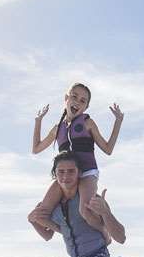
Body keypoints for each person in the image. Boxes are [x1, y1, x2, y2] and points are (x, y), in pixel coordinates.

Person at [31, 82, 124, 237]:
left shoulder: (87, 123)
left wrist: (118, 121)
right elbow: (36, 149)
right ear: (66, 98)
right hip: (66, 176)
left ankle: (104, 232)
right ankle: (62, 232)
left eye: (83, 100)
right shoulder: (57, 129)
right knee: (40, 214)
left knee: (84, 211)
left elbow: (108, 149)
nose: (77, 101)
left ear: (86, 107)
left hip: (87, 173)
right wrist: (38, 121)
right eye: (74, 96)